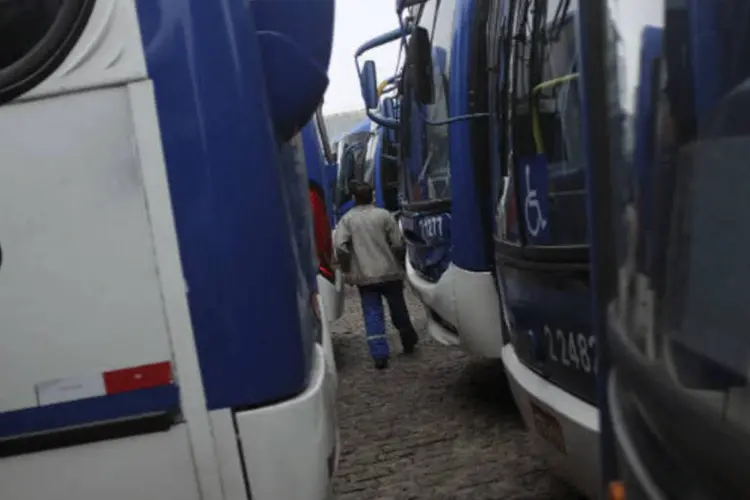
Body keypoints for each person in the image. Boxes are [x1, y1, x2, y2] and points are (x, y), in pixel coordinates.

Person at [333, 182, 418, 369]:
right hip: (390, 272)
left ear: (354, 198)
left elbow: (340, 246)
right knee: (399, 309)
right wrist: (400, 262)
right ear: (372, 195)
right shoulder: (384, 215)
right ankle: (408, 339)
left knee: (372, 313)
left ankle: (379, 354)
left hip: (365, 276)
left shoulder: (347, 220)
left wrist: (347, 268)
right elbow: (397, 243)